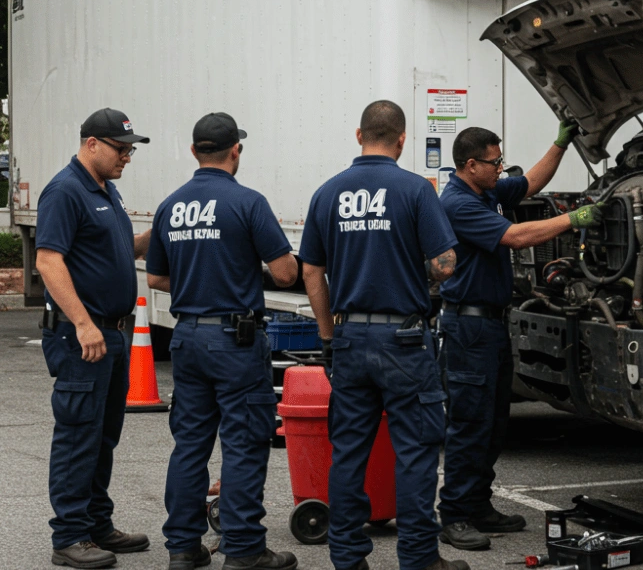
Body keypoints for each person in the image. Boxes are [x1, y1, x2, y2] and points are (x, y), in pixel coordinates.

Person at [299, 100, 467, 570]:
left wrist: (329, 335)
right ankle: (418, 558)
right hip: (404, 342)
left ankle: (348, 558)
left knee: (349, 451)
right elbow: (444, 264)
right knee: (414, 452)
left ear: (358, 136)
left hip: (350, 339)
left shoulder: (327, 193)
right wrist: (429, 274)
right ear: (402, 140)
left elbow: (311, 270)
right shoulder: (415, 189)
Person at [437, 122, 605, 551]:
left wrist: (561, 142)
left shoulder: (487, 191)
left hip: (491, 322)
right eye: (493, 162)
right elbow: (514, 237)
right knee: (470, 423)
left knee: (494, 422)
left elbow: (531, 181)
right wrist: (573, 218)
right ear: (470, 164)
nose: (500, 168)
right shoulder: (457, 202)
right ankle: (455, 514)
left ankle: (478, 504)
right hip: (468, 326)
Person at [145, 113, 300, 570]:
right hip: (236, 340)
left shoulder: (171, 205)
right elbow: (287, 272)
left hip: (188, 336)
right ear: (237, 150)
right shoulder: (248, 202)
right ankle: (245, 548)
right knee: (245, 442)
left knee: (190, 444)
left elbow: (155, 276)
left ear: (195, 151)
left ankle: (183, 548)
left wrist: (199, 284)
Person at [35, 108, 153, 569]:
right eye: (121, 149)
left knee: (104, 436)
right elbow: (49, 261)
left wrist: (157, 234)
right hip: (84, 337)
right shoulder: (66, 191)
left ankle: (96, 524)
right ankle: (69, 536)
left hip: (113, 335)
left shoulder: (108, 190)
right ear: (91, 145)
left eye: (130, 149)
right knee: (78, 434)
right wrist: (83, 323)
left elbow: (123, 248)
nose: (127, 156)